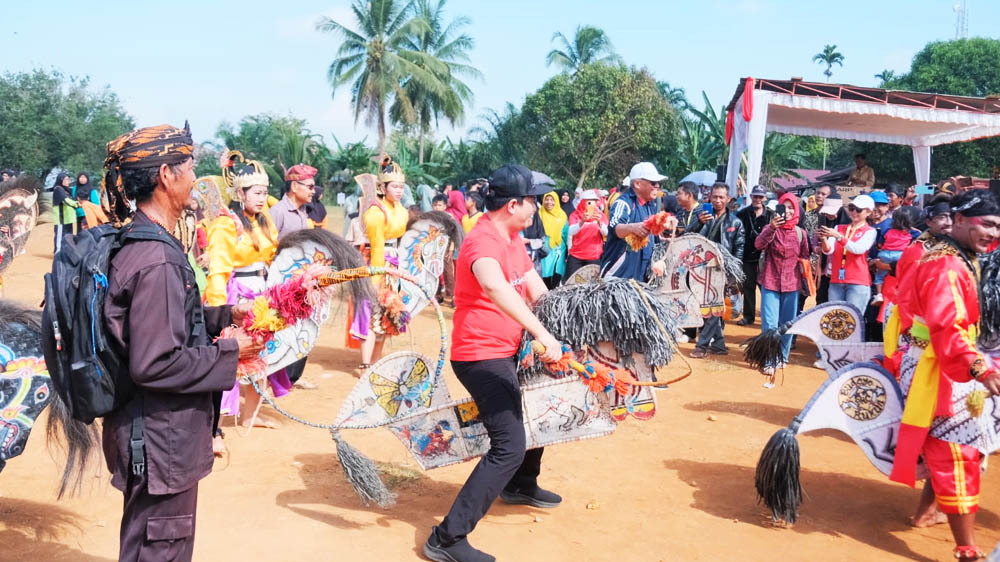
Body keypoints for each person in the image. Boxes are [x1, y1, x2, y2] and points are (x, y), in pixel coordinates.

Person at [100, 122, 259, 561]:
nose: (196, 178)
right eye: (189, 167)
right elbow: (154, 362)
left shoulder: (145, 241)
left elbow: (154, 322)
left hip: (152, 434)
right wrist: (231, 351)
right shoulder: (157, 260)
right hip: (159, 440)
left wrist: (222, 317)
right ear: (166, 175)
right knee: (158, 550)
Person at [424, 164, 563, 562]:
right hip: (480, 356)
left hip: (506, 349)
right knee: (508, 445)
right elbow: (494, 285)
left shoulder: (512, 236)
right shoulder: (482, 240)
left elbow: (534, 286)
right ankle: (446, 539)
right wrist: (543, 335)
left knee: (538, 410)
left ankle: (521, 485)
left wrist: (567, 317)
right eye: (533, 201)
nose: (537, 207)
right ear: (514, 204)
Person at [888, 190, 1000, 561]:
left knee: (952, 442)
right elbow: (947, 327)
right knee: (958, 450)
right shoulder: (946, 265)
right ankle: (966, 547)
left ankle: (926, 512)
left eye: (998, 227)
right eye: (986, 224)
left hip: (947, 356)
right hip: (937, 362)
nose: (992, 233)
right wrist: (980, 367)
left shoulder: (962, 256)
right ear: (961, 221)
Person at [204, 153, 287, 437]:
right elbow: (217, 270)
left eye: (266, 193)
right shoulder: (226, 224)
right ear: (240, 193)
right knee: (232, 357)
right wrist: (218, 312)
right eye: (257, 193)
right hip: (236, 295)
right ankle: (213, 425)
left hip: (261, 293)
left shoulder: (263, 221)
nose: (263, 198)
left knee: (262, 354)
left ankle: (250, 415)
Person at [354, 155, 411, 371]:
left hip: (394, 266)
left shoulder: (402, 211)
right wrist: (376, 277)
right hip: (377, 265)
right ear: (383, 187)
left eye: (402, 187)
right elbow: (377, 246)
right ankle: (365, 363)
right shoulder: (376, 212)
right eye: (395, 186)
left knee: (388, 315)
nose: (399, 191)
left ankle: (377, 361)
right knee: (371, 313)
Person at [754, 192, 809, 383]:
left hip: (791, 284)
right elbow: (758, 244)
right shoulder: (772, 228)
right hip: (770, 281)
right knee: (769, 324)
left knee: (787, 324)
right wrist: (770, 228)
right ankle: (768, 359)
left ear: (797, 210)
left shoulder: (801, 233)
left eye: (792, 207)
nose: (788, 210)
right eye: (784, 206)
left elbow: (805, 254)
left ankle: (782, 357)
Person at [690, 183, 745, 358]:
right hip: (701, 269)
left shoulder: (735, 222)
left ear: (728, 199)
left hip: (722, 271)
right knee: (705, 306)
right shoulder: (703, 216)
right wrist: (699, 222)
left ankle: (702, 345)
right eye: (715, 197)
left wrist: (733, 275)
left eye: (722, 197)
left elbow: (739, 249)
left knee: (713, 308)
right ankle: (719, 345)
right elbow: (689, 236)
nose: (718, 200)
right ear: (709, 198)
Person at [599, 162, 674, 281]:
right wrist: (632, 227)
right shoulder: (623, 203)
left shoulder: (651, 205)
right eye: (653, 183)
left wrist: (663, 240)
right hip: (619, 276)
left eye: (658, 183)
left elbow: (652, 235)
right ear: (637, 184)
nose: (657, 187)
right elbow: (615, 228)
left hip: (642, 274)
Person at [819, 194, 877, 314]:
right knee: (835, 319)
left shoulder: (870, 231)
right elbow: (828, 250)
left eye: (859, 210)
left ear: (868, 212)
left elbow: (858, 249)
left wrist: (839, 237)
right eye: (851, 208)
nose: (854, 212)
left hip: (858, 281)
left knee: (852, 321)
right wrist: (824, 239)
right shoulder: (839, 227)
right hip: (836, 280)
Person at [735, 185, 771, 326]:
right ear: (750, 196)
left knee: (766, 288)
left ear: (765, 198)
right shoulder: (742, 214)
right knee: (748, 287)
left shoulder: (771, 215)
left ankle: (767, 318)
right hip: (747, 257)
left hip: (766, 258)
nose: (757, 199)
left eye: (760, 197)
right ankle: (748, 316)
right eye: (755, 196)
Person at [871, 208, 920, 304]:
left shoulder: (887, 230)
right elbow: (919, 235)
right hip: (900, 255)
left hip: (885, 254)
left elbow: (880, 244)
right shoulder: (911, 232)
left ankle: (879, 294)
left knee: (879, 276)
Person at [565, 190, 608, 277]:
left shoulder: (600, 215)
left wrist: (600, 222)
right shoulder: (575, 215)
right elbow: (571, 231)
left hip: (594, 256)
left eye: (594, 201)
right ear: (582, 202)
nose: (592, 204)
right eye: (588, 201)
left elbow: (606, 233)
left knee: (593, 285)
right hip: (576, 256)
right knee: (573, 284)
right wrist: (582, 222)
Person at [271, 163, 316, 240]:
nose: (314, 191)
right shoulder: (278, 212)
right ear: (294, 186)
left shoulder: (304, 210)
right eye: (310, 187)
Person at [537, 191, 568, 289]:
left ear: (556, 201)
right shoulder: (539, 214)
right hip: (544, 249)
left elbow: (566, 234)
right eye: (547, 199)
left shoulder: (562, 215)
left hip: (559, 250)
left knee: (557, 275)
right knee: (544, 275)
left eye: (552, 200)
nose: (549, 202)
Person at [51, 172, 77, 252]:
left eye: (68, 180)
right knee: (60, 235)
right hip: (61, 218)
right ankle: (58, 251)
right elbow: (66, 201)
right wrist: (77, 204)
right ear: (61, 180)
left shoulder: (67, 190)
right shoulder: (58, 189)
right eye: (66, 179)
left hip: (68, 218)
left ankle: (65, 252)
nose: (68, 181)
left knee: (68, 235)